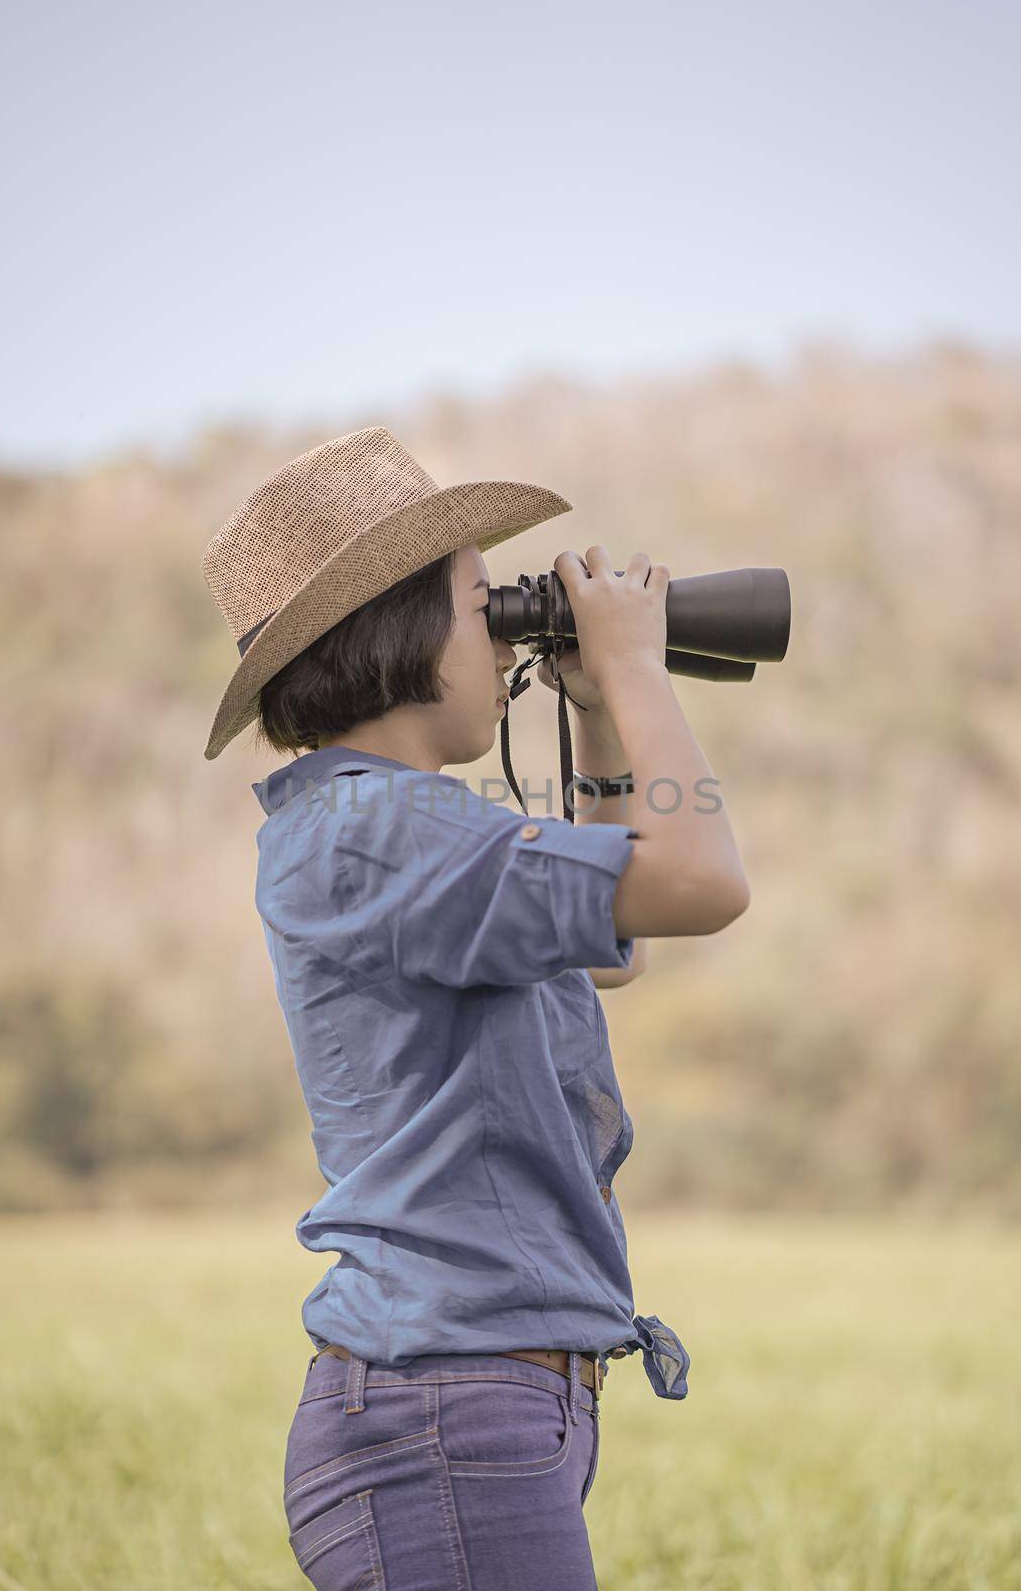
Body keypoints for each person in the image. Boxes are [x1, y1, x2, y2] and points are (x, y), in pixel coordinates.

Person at [200, 426, 749, 1589]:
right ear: (395, 632)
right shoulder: (382, 830)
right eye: (476, 602)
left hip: (466, 1409)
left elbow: (612, 955)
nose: (504, 631)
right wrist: (641, 665)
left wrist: (593, 708)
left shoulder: (388, 832)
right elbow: (700, 880)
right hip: (445, 1415)